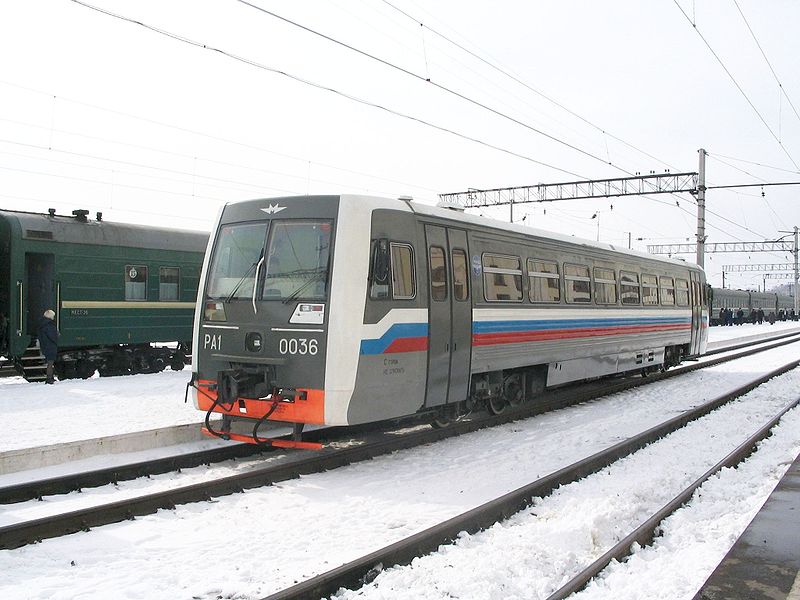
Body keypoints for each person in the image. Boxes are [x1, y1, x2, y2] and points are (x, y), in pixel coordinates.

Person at [37, 309, 59, 384]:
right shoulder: (49, 325)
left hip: (45, 345)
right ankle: (49, 378)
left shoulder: (42, 324)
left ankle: (50, 377)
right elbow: (53, 335)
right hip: (50, 346)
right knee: (50, 363)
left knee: (49, 362)